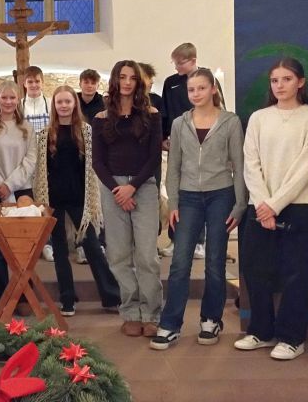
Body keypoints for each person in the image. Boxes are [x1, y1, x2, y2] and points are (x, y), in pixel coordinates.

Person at [235, 57, 308, 360]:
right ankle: (260, 331)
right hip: (259, 206)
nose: (280, 85)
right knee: (256, 271)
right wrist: (264, 204)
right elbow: (251, 163)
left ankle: (292, 338)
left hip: (298, 205)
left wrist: (275, 205)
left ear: (300, 82)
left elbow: (307, 167)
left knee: (296, 275)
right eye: (275, 80)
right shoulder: (259, 118)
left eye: (287, 79)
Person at [150, 68, 246, 350]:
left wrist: (240, 204)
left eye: (201, 88)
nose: (196, 94)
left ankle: (211, 319)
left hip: (221, 195)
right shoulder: (180, 124)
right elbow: (174, 167)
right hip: (188, 197)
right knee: (180, 262)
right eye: (191, 89)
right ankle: (170, 324)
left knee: (215, 262)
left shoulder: (230, 122)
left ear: (213, 89)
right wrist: (174, 202)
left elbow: (239, 165)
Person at [33, 85, 121, 316]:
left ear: (75, 104)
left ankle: (111, 296)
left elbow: (93, 167)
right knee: (60, 252)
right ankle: (67, 299)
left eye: (67, 101)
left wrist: (91, 198)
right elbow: (40, 172)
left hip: (80, 197)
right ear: (54, 106)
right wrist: (42, 201)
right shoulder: (44, 135)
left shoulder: (86, 132)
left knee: (92, 246)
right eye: (59, 102)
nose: (63, 106)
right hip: (53, 199)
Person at [92, 60, 163, 337]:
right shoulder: (101, 118)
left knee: (146, 255)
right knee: (119, 255)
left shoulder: (151, 114)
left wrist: (132, 187)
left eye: (132, 78)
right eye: (122, 77)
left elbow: (154, 157)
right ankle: (131, 312)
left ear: (139, 83)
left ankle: (152, 313)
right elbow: (98, 162)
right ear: (115, 80)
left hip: (143, 186)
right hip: (112, 188)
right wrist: (117, 190)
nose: (127, 82)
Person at [160, 44, 226, 259]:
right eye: (175, 63)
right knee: (177, 191)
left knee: (198, 192)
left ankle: (199, 241)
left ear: (193, 60)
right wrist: (163, 137)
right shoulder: (170, 82)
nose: (177, 67)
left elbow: (219, 109)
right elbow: (165, 113)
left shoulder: (208, 79)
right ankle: (175, 239)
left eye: (181, 63)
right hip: (177, 141)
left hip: (202, 143)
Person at [0, 81, 37, 311]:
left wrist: (10, 185)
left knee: (25, 248)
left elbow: (30, 160)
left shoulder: (27, 129)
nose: (8, 102)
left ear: (18, 100)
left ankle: (24, 297)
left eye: (13, 98)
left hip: (22, 191)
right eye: (4, 97)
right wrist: (1, 186)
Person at [21, 66, 54, 262]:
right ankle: (31, 243)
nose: (34, 85)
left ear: (42, 82)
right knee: (28, 202)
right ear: (24, 84)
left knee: (46, 201)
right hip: (25, 159)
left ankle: (48, 243)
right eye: (30, 82)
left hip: (46, 159)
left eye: (37, 81)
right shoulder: (19, 105)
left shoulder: (50, 104)